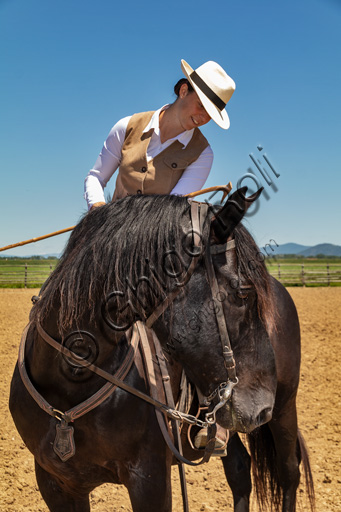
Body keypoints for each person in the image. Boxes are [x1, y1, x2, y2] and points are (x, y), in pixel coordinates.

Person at [84, 59, 236, 210]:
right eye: (201, 106)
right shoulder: (126, 126)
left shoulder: (203, 154)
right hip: (110, 228)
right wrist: (98, 209)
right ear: (183, 91)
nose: (203, 117)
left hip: (156, 233)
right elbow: (96, 177)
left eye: (210, 114)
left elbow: (172, 209)